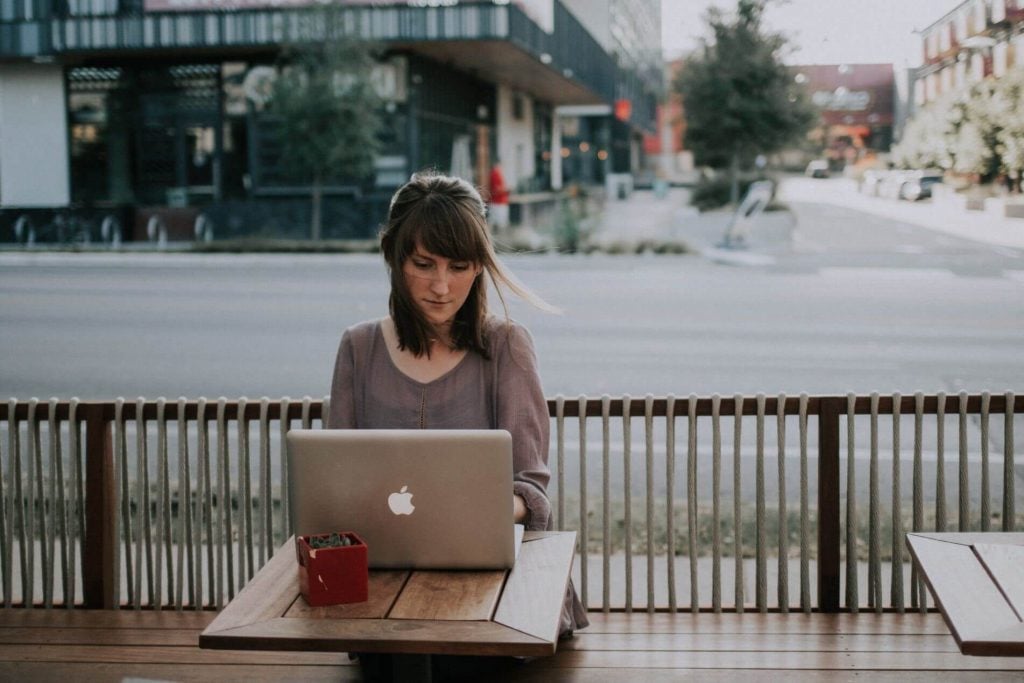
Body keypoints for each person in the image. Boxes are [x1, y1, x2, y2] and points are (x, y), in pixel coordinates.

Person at [327, 171, 587, 678]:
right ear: (394, 258)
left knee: (443, 658)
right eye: (423, 264)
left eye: (460, 266)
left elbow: (531, 492)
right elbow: (336, 481)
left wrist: (467, 511)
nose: (441, 287)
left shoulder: (507, 346)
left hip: (494, 589)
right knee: (402, 649)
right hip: (384, 584)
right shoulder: (359, 348)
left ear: (480, 267)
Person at [487, 161, 511, 233]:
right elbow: (496, 189)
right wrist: (506, 190)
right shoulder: (496, 173)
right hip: (498, 202)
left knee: (495, 221)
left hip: (498, 201)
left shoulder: (496, 173)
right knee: (499, 222)